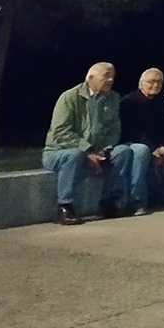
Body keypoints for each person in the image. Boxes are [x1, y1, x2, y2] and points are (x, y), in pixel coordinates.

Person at [42, 62, 134, 225]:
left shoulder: (112, 98)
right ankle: (65, 207)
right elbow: (60, 131)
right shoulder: (70, 97)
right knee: (74, 155)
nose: (111, 80)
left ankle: (108, 203)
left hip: (97, 151)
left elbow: (114, 130)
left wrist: (103, 151)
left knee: (123, 151)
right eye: (106, 75)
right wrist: (88, 150)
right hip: (59, 151)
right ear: (90, 78)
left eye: (112, 76)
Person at [119, 68, 164, 213]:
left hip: (158, 145)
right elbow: (131, 131)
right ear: (141, 83)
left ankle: (163, 197)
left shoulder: (162, 104)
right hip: (134, 143)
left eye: (159, 82)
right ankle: (137, 202)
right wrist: (153, 148)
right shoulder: (128, 102)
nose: (156, 85)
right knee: (142, 151)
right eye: (151, 81)